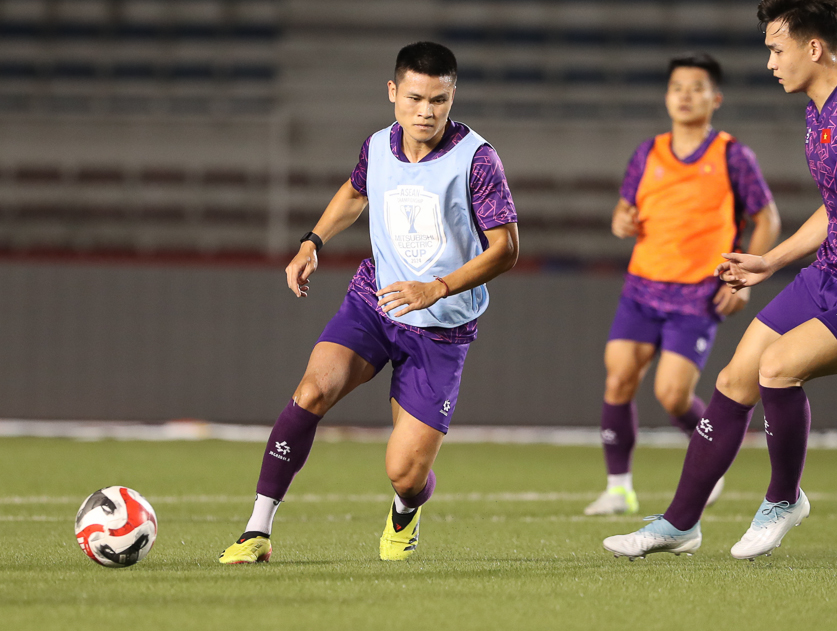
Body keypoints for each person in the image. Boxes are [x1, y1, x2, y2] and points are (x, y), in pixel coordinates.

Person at [603, 0, 837, 560]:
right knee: (733, 380)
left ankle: (784, 499)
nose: (770, 62)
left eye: (777, 49)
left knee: (776, 369)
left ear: (813, 48)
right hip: (830, 275)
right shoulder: (820, 111)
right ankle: (680, 523)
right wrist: (770, 261)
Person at [219, 41, 518, 564]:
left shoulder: (477, 160)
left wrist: (438, 287)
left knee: (404, 472)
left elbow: (507, 249)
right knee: (312, 390)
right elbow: (356, 193)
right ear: (393, 93)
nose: (426, 111)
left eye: (439, 101)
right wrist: (313, 241)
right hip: (374, 303)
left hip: (440, 328)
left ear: (453, 98)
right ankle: (256, 530)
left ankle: (407, 510)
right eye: (415, 98)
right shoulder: (378, 146)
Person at [585, 53, 780, 516]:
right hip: (641, 286)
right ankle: (618, 488)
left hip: (695, 292)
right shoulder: (648, 152)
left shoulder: (732, 155)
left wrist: (746, 279)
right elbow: (622, 210)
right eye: (677, 87)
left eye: (696, 87)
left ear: (715, 98)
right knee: (618, 378)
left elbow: (766, 218)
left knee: (672, 395)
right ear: (667, 97)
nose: (686, 95)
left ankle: (711, 458)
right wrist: (621, 222)